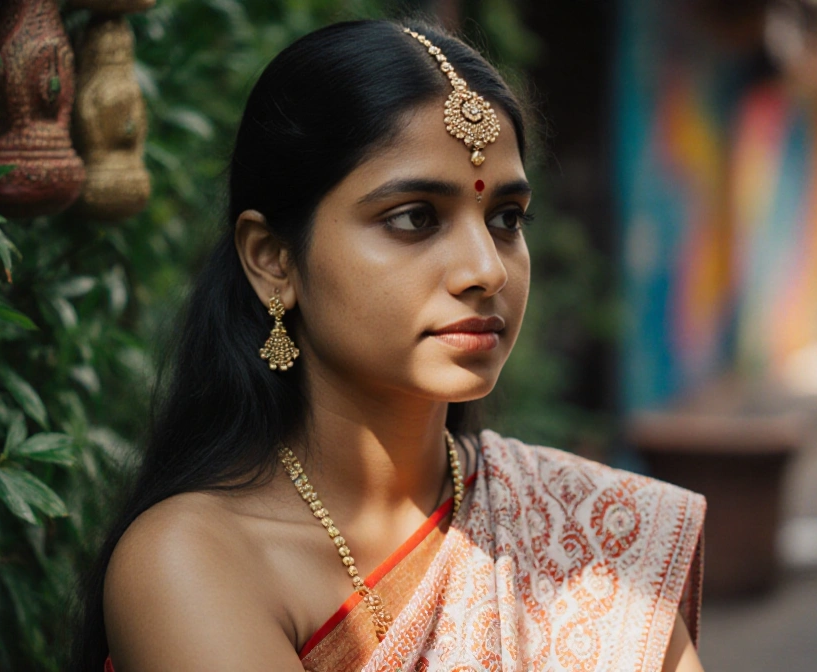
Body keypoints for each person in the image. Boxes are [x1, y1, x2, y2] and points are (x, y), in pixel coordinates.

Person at [68, 19, 706, 672]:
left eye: (507, 219)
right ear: (273, 261)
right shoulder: (195, 561)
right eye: (415, 218)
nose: (486, 269)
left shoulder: (593, 532)